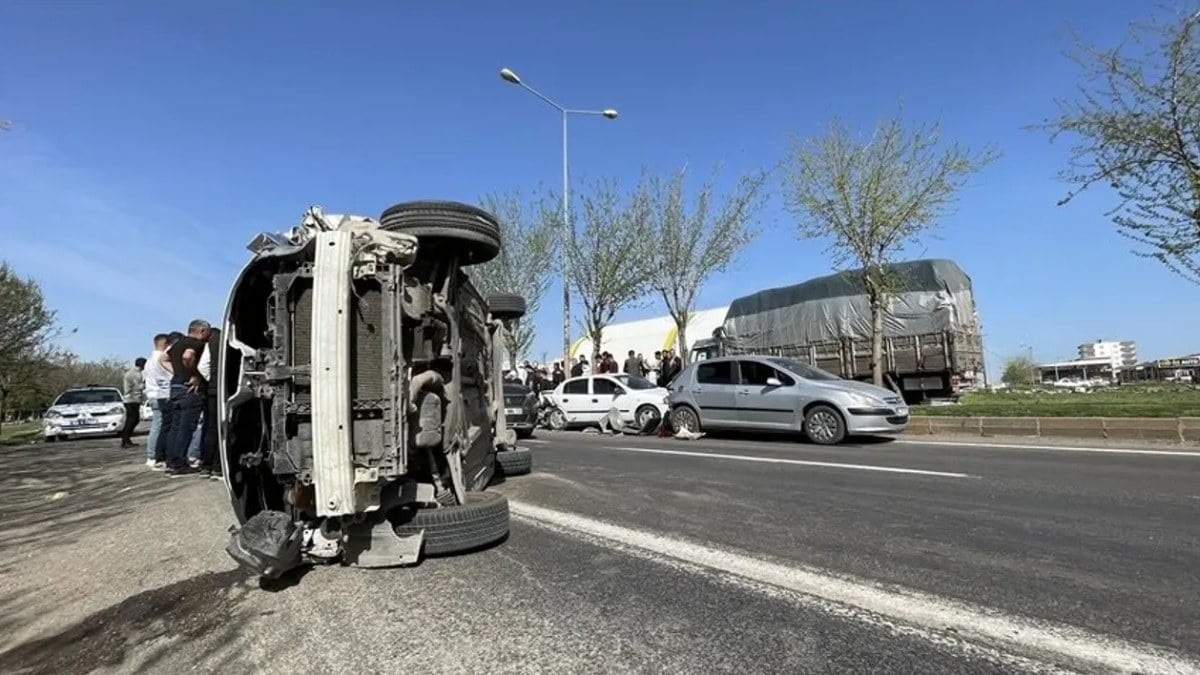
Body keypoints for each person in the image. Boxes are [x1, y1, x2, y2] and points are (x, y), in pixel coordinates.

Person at [161, 319, 211, 476]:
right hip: (189, 390)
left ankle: (171, 462)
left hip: (175, 387)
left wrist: (177, 372)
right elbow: (188, 356)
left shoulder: (178, 343)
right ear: (202, 331)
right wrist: (193, 374)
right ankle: (180, 463)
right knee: (186, 428)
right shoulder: (196, 344)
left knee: (175, 427)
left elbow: (163, 359)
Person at [143, 333, 172, 469]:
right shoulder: (161, 359)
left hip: (152, 393)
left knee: (156, 425)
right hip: (161, 394)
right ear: (165, 344)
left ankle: (152, 454)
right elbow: (169, 376)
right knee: (159, 426)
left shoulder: (149, 361)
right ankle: (154, 455)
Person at [120, 357, 146, 449]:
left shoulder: (130, 372)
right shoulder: (136, 374)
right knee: (132, 420)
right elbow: (139, 387)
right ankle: (125, 440)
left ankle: (126, 440)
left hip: (130, 399)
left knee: (132, 420)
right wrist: (146, 383)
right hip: (132, 399)